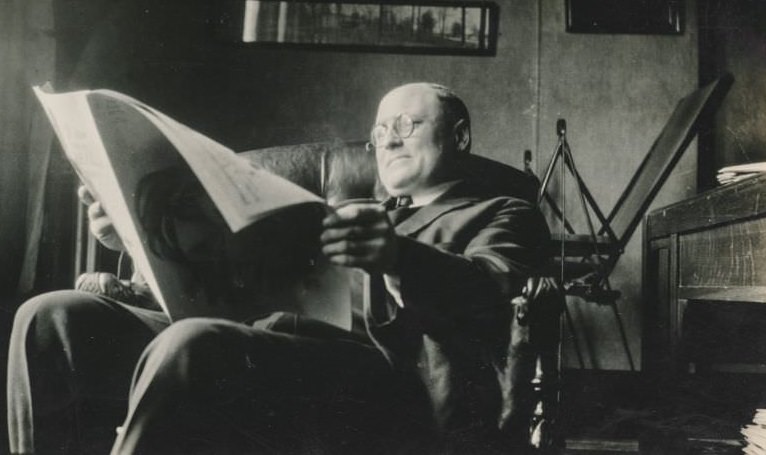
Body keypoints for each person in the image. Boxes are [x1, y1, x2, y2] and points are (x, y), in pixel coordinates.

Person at [7, 82, 550, 454]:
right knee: (53, 317)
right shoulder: (345, 212)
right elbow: (221, 284)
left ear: (458, 136)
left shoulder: (503, 211)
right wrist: (130, 235)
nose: (386, 137)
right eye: (379, 129)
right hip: (255, 337)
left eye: (405, 123)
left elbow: (492, 295)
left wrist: (396, 255)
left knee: (194, 344)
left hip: (376, 374)